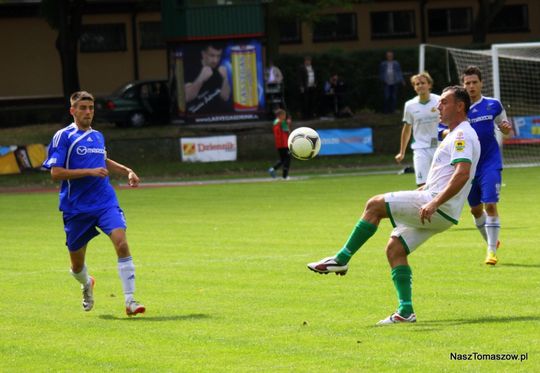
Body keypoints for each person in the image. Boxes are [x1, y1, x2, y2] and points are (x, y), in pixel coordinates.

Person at [307, 86, 480, 325]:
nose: (438, 106)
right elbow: (444, 176)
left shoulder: (461, 135)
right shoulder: (454, 134)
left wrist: (433, 202)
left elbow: (462, 174)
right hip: (443, 211)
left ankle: (341, 258)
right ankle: (405, 312)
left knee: (374, 205)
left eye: (444, 102)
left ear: (460, 106)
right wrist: (424, 193)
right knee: (395, 248)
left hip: (438, 206)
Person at [42, 91, 145, 316]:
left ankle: (130, 301)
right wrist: (88, 171)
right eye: (83, 108)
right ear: (73, 111)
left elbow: (102, 160)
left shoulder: (98, 136)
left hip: (104, 202)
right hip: (76, 207)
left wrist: (127, 170)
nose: (88, 112)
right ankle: (87, 283)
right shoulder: (64, 136)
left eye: (91, 108)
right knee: (77, 267)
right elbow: (56, 173)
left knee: (122, 243)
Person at [461, 66, 512, 265]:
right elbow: (441, 132)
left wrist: (506, 128)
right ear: (463, 85)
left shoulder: (493, 104)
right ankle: (492, 241)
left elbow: (505, 128)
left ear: (481, 83)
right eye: (467, 83)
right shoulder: (459, 107)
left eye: (474, 82)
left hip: (490, 162)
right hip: (467, 166)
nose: (471, 86)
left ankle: (490, 252)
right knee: (475, 210)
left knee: (490, 204)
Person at [395, 72, 441, 186]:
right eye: (417, 84)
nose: (420, 86)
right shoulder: (410, 105)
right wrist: (402, 152)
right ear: (414, 87)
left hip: (440, 147)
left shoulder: (440, 101)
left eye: (423, 83)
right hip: (420, 148)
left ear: (429, 85)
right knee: (422, 184)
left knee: (441, 183)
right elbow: (407, 129)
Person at [184, 43, 231, 114]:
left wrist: (225, 79)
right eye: (212, 56)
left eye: (218, 56)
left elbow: (225, 97)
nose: (215, 60)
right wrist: (200, 79)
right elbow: (187, 97)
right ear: (203, 54)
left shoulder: (219, 70)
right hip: (196, 118)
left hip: (217, 117)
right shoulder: (191, 69)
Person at [268, 109, 292, 180]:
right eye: (284, 115)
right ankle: (285, 176)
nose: (285, 117)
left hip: (279, 144)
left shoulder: (275, 122)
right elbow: (287, 131)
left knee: (282, 159)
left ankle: (273, 169)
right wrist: (288, 123)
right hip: (284, 144)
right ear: (280, 115)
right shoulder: (282, 122)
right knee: (287, 159)